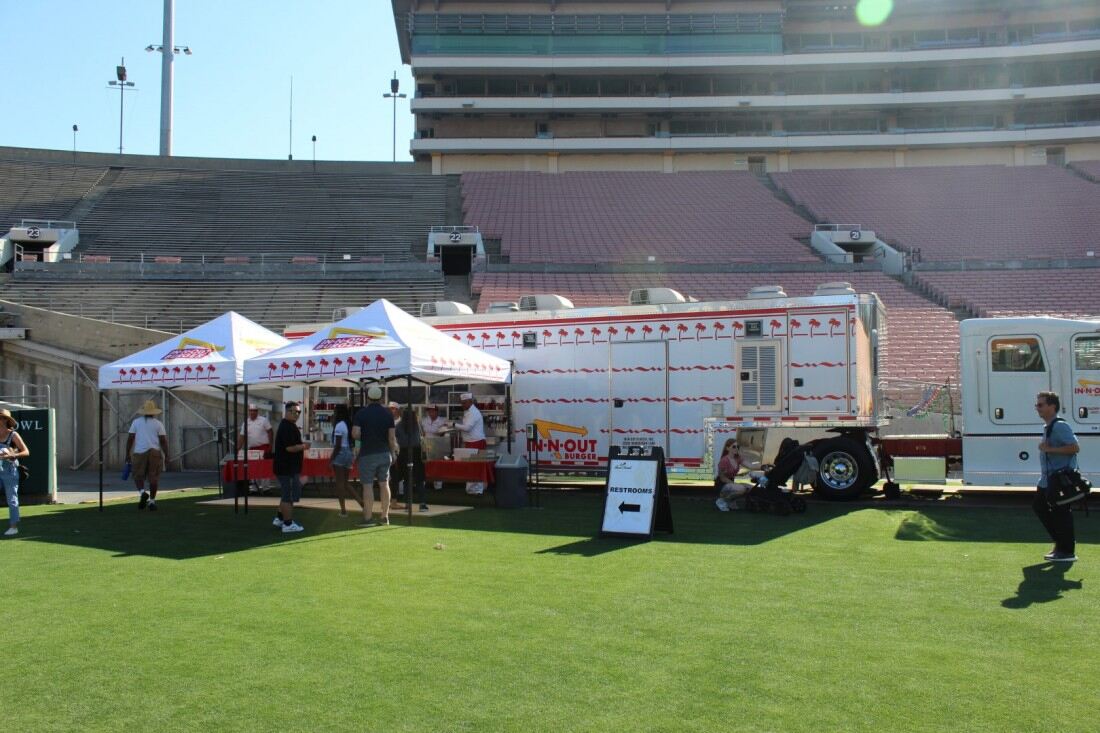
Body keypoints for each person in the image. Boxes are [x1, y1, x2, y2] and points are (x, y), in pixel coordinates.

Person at [1034, 391, 1079, 563]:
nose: (1037, 408)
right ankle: (1061, 543)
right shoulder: (1048, 426)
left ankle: (1067, 550)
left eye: (1040, 405)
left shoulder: (1060, 426)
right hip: (1048, 479)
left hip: (1060, 479)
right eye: (1037, 405)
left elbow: (1074, 447)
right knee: (1039, 506)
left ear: (1052, 406)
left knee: (1061, 512)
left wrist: (1049, 449)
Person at [353, 386, 398, 525]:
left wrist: (364, 435)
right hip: (385, 453)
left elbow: (355, 434)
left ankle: (368, 518)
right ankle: (385, 516)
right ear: (381, 398)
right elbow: (392, 438)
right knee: (384, 484)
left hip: (367, 454)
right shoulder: (388, 414)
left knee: (368, 486)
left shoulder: (361, 413)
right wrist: (393, 453)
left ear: (367, 398)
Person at [126, 400, 169, 511]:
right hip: (154, 452)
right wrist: (167, 455)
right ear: (154, 412)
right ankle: (152, 501)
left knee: (137, 475)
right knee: (153, 477)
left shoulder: (136, 422)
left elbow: (130, 438)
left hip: (140, 452)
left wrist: (127, 454)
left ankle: (142, 492)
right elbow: (163, 441)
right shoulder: (158, 424)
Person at [273, 401, 309, 534]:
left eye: (299, 412)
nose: (297, 414)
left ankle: (280, 518)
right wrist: (304, 446)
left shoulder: (288, 425)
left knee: (286, 494)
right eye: (294, 411)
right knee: (288, 496)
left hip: (286, 467)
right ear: (287, 412)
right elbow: (289, 448)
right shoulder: (287, 427)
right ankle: (287, 524)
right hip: (286, 468)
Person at [0, 408, 29, 537]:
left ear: (6, 420)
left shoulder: (13, 435)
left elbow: (26, 451)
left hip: (10, 471)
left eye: (1, 417)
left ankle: (13, 527)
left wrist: (13, 455)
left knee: (12, 500)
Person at [329, 403, 360, 517]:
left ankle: (343, 510)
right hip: (349, 453)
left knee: (340, 484)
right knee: (346, 483)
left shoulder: (339, 426)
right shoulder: (348, 424)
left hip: (340, 453)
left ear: (338, 413)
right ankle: (361, 502)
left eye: (335, 412)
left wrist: (331, 459)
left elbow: (338, 445)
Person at [395, 405, 428, 512]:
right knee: (419, 479)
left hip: (404, 453)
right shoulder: (417, 425)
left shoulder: (398, 425)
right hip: (416, 452)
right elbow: (422, 437)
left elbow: (396, 439)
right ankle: (422, 504)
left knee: (407, 479)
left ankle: (408, 505)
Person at [237, 403, 274, 494]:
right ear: (248, 412)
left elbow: (270, 432)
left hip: (264, 447)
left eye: (254, 411)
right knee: (253, 468)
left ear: (257, 411)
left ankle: (266, 488)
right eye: (251, 411)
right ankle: (254, 488)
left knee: (265, 467)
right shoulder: (246, 422)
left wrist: (270, 445)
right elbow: (242, 436)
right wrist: (238, 448)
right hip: (252, 448)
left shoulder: (264, 420)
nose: (253, 412)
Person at [456, 392, 487, 495]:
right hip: (471, 442)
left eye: (464, 403)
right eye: (462, 403)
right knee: (471, 466)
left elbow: (467, 428)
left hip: (476, 442)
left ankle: (477, 490)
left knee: (476, 466)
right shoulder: (468, 412)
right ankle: (472, 489)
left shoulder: (473, 412)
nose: (462, 405)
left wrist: (454, 424)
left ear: (470, 402)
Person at [715, 438, 748, 512]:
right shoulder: (724, 460)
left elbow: (750, 466)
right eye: (734, 446)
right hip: (722, 484)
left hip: (730, 483)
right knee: (742, 489)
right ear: (727, 448)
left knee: (750, 487)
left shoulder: (737, 459)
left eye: (737, 447)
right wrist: (735, 484)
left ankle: (730, 501)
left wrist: (764, 466)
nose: (736, 448)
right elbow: (722, 478)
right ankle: (722, 501)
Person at [421, 404, 449, 489]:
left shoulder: (443, 420)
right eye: (429, 411)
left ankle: (438, 485)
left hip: (438, 444)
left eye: (432, 411)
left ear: (437, 412)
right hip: (426, 444)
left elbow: (442, 433)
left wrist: (440, 431)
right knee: (425, 464)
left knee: (437, 464)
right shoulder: (424, 420)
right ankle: (424, 482)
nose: (430, 412)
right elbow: (422, 432)